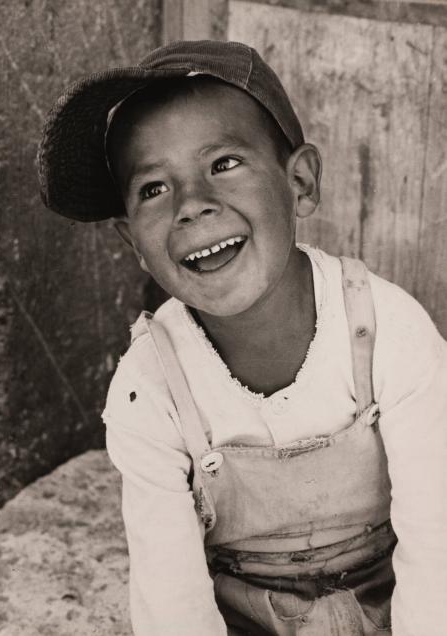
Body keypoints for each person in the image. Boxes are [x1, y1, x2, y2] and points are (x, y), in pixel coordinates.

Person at [37, 40, 447, 636]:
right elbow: (172, 598)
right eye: (153, 188)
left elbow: (438, 541)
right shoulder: (149, 388)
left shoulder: (389, 332)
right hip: (244, 618)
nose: (192, 206)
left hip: (400, 598)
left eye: (224, 163)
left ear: (301, 181)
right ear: (133, 243)